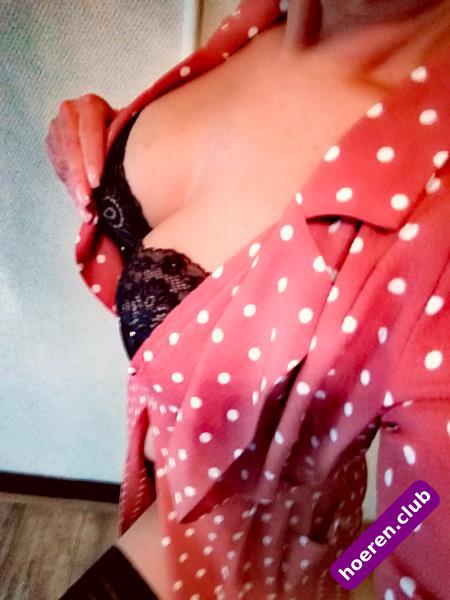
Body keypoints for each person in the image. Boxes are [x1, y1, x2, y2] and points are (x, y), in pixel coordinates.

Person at [46, 1, 450, 598]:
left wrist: (352, 568)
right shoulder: (263, 21)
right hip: (152, 493)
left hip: (237, 578)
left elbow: (423, 509)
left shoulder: (437, 217)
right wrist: (101, 140)